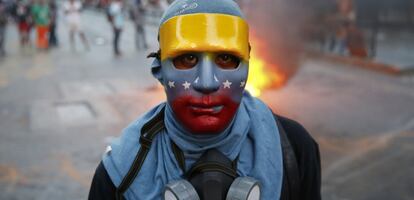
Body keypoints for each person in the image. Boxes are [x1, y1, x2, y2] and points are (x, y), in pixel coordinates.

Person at [89, 0, 321, 200]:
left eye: (226, 58)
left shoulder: (294, 149)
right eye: (187, 58)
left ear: (249, 67)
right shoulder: (118, 173)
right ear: (159, 71)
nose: (207, 82)